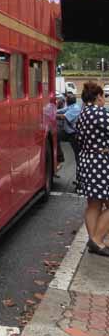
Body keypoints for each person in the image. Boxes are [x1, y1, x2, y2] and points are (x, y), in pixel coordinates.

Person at [74, 82, 109, 256]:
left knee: (93, 204)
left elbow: (78, 139)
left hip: (87, 160)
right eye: (104, 97)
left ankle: (94, 241)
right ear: (98, 97)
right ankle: (97, 240)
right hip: (101, 162)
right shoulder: (101, 113)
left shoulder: (82, 115)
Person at [57, 92, 81, 170]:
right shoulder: (71, 107)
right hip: (67, 132)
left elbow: (63, 117)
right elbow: (61, 110)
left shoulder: (75, 109)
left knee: (77, 154)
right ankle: (60, 156)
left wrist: (52, 115)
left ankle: (80, 175)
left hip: (74, 135)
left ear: (67, 101)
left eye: (66, 100)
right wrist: (51, 111)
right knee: (55, 136)